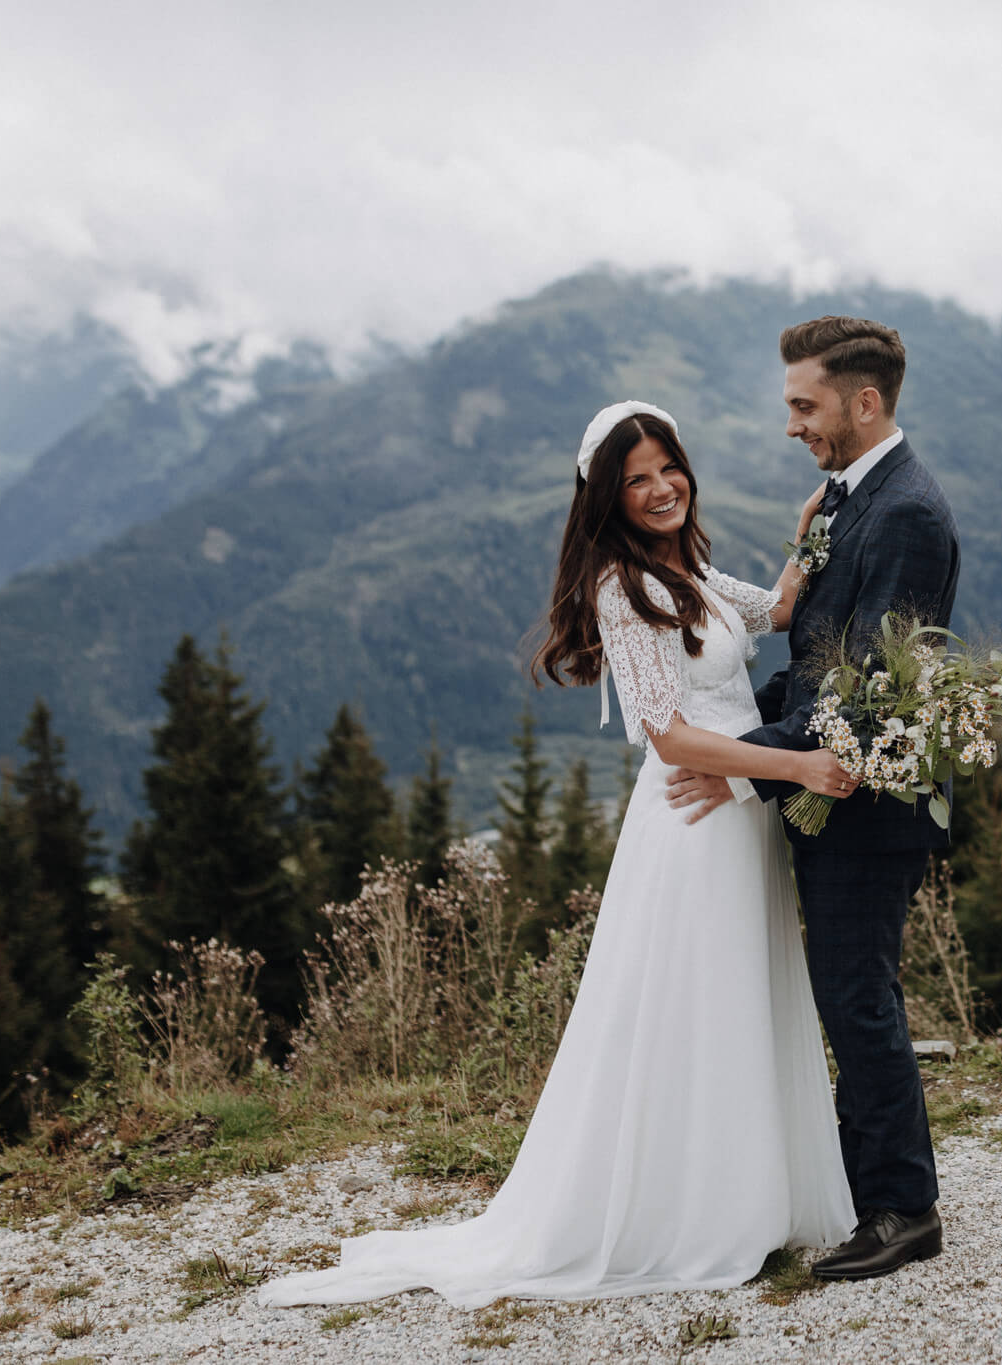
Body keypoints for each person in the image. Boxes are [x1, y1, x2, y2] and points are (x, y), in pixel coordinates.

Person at [258, 400, 858, 1308]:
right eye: (636, 478)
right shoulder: (624, 587)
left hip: (739, 812)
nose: (660, 488)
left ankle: (749, 1194)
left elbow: (773, 611)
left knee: (743, 996)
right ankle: (688, 1212)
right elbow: (669, 735)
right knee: (695, 1005)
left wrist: (806, 536)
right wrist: (798, 765)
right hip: (695, 823)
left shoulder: (686, 564)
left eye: (669, 468)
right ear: (606, 498)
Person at [666, 316, 960, 1280]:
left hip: (868, 806)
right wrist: (741, 737)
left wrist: (744, 759)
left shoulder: (908, 512)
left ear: (862, 400)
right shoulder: (845, 501)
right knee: (845, 992)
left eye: (805, 404)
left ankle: (902, 1209)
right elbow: (808, 659)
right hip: (823, 786)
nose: (791, 424)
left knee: (858, 996)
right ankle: (866, 1180)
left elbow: (861, 689)